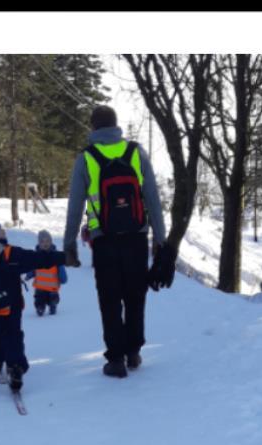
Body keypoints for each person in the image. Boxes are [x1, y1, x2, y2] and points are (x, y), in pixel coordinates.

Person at [63, 105, 176, 379]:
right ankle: (134, 351)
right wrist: (161, 240)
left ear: (93, 127)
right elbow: (152, 199)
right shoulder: (136, 152)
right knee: (136, 296)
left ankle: (115, 359)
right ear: (116, 125)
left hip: (104, 241)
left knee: (110, 300)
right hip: (137, 237)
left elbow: (75, 204)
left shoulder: (86, 158)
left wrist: (69, 244)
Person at [0, 220, 66, 392]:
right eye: (0, 230)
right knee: (13, 334)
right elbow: (36, 259)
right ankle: (15, 367)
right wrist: (62, 257)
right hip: (11, 303)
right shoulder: (7, 253)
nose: (3, 231)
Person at [25, 230, 68, 316]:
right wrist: (29, 275)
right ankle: (40, 308)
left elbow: (61, 268)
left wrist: (63, 278)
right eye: (42, 241)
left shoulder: (56, 256)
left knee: (53, 298)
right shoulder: (36, 256)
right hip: (40, 287)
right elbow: (33, 268)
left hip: (52, 287)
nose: (45, 243)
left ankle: (53, 305)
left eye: (47, 241)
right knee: (39, 300)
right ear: (39, 243)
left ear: (51, 242)